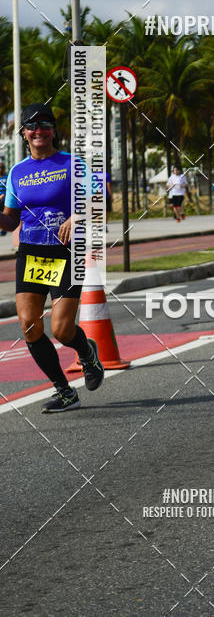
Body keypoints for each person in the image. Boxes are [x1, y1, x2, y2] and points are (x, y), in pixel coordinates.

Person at [0, 103, 104, 413]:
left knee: (61, 329)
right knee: (30, 327)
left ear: (54, 131)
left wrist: (76, 216)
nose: (39, 131)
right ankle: (64, 391)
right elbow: (10, 221)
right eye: (32, 127)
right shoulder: (17, 173)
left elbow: (97, 198)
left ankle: (86, 352)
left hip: (66, 251)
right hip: (31, 253)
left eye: (45, 125)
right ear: (24, 133)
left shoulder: (73, 163)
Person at [0, 160, 7, 236]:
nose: (0, 169)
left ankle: (4, 230)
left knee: (4, 214)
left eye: (2, 167)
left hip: (4, 200)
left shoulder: (6, 177)